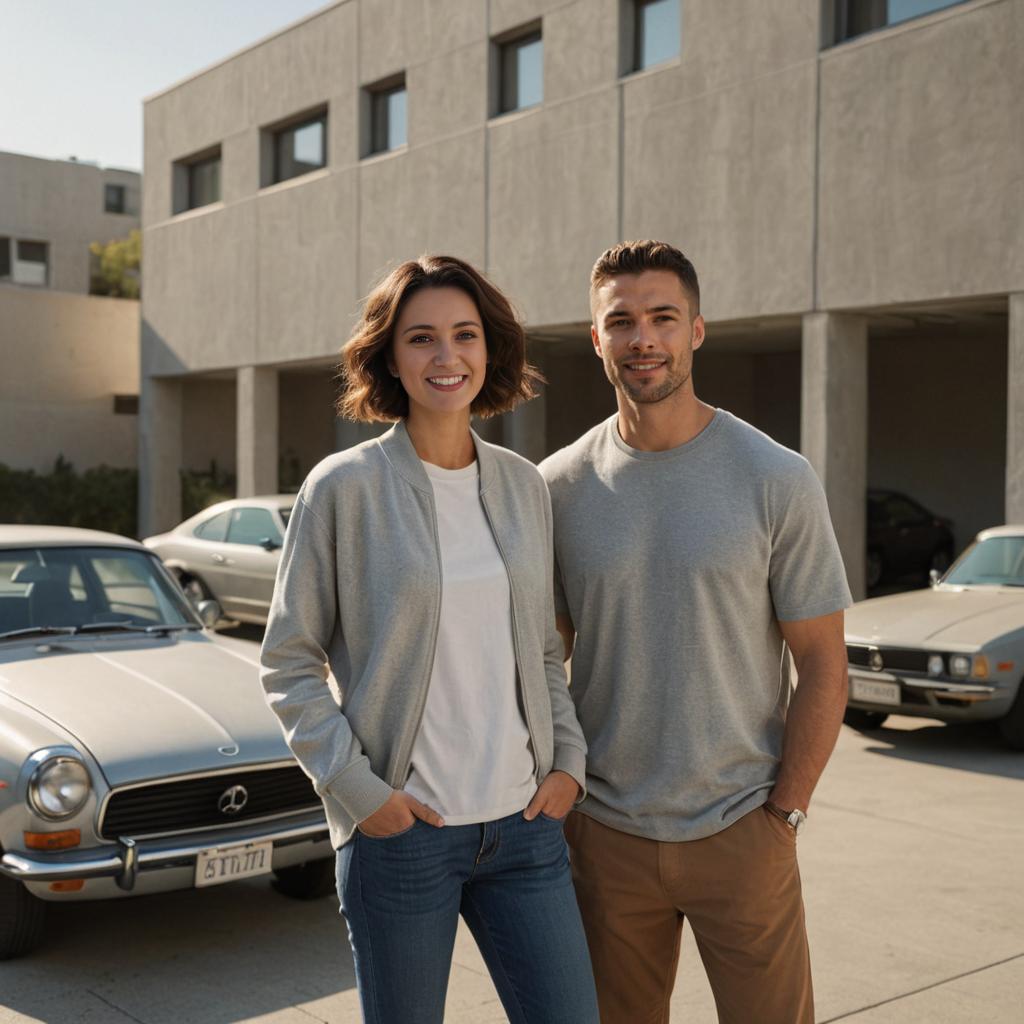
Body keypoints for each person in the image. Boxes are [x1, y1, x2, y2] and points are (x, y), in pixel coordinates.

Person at [260, 254, 598, 1024]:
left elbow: (542, 649)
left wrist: (568, 766)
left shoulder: (522, 486)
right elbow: (288, 662)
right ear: (389, 355)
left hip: (526, 830)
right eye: (421, 338)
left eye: (464, 335)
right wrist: (359, 794)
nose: (446, 357)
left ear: (491, 350)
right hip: (404, 835)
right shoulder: (343, 489)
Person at [539, 240, 852, 1024]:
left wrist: (786, 814)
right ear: (597, 338)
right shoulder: (558, 486)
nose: (643, 337)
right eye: (623, 321)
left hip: (743, 829)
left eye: (663, 318)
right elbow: (545, 656)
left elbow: (822, 661)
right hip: (605, 835)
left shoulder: (775, 476)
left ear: (697, 330)